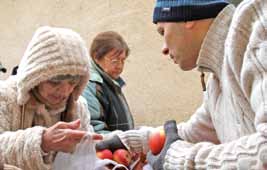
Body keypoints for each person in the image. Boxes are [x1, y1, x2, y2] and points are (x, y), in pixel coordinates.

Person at [96, 0, 267, 169]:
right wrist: (128, 141)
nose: (163, 49)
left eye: (162, 31)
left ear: (187, 16)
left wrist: (178, 157)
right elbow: (190, 134)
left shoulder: (253, 24)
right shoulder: (216, 83)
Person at [0, 26, 101, 170]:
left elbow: (87, 147)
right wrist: (41, 141)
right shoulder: (4, 97)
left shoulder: (78, 106)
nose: (65, 91)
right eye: (54, 82)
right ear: (35, 76)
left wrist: (127, 140)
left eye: (73, 82)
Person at [82, 31, 134, 134]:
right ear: (96, 57)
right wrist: (127, 140)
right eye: (114, 61)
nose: (120, 66)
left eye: (123, 60)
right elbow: (95, 130)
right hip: (106, 149)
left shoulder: (110, 82)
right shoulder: (91, 85)